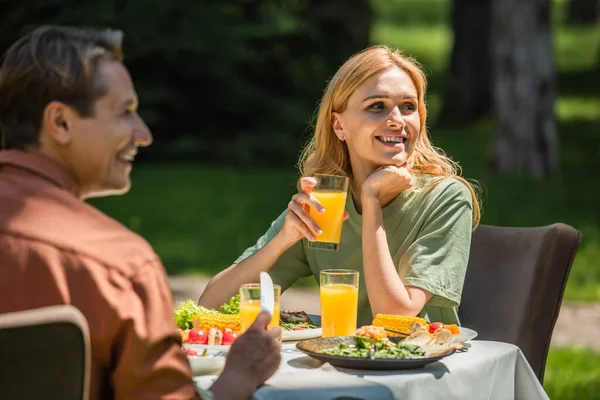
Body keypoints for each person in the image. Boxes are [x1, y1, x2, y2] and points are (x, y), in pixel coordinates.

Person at [0, 25, 281, 400]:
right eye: (126, 112)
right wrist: (239, 376)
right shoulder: (117, 266)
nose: (143, 133)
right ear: (61, 122)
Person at [199, 45, 481, 327]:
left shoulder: (446, 197)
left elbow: (393, 317)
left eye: (408, 107)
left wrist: (371, 199)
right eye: (377, 106)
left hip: (414, 364)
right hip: (337, 362)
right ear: (338, 126)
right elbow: (212, 306)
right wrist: (284, 239)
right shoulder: (326, 201)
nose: (397, 121)